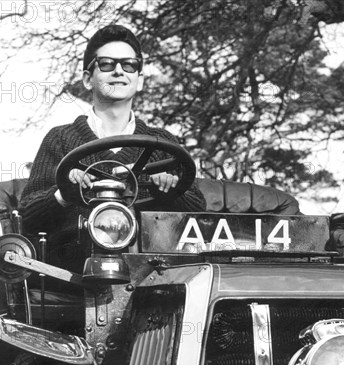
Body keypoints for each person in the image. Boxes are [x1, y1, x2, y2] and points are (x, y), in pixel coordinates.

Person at [19, 24, 206, 281]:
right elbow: (28, 216)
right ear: (88, 79)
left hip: (153, 279)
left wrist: (172, 190)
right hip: (71, 280)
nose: (119, 71)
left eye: (129, 65)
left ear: (139, 80)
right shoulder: (60, 139)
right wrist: (64, 192)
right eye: (106, 64)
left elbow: (199, 212)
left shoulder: (164, 143)